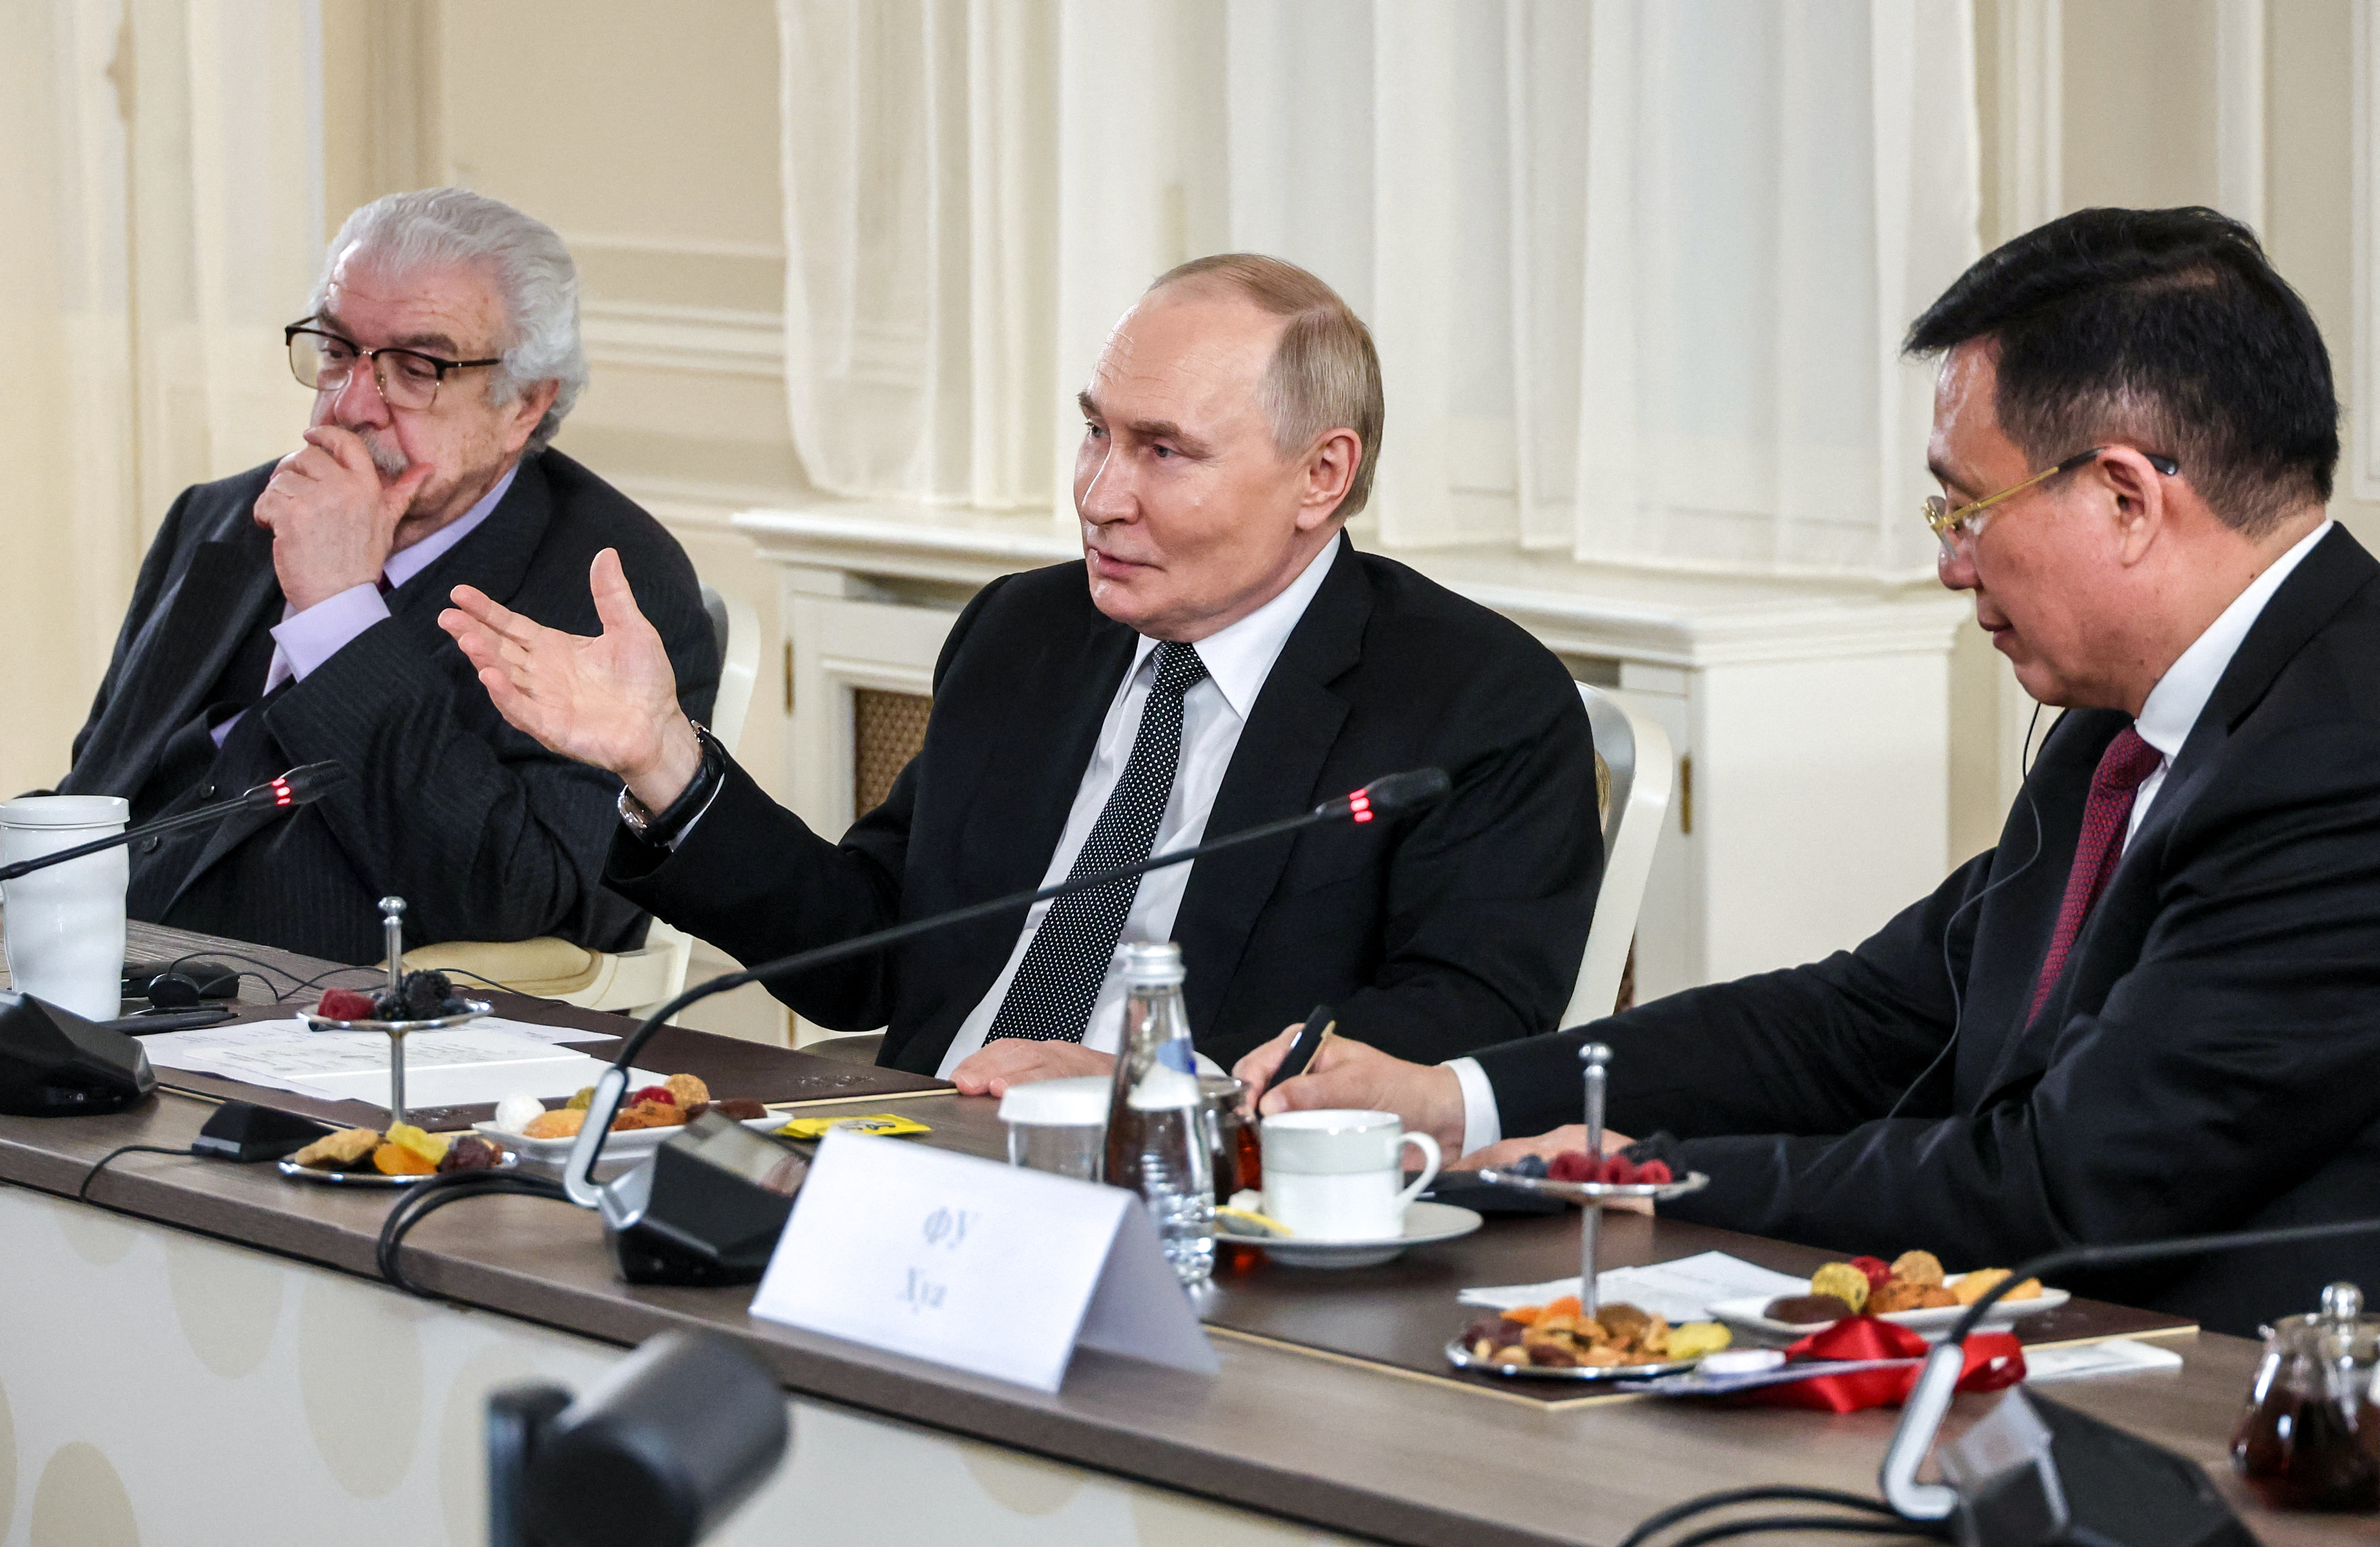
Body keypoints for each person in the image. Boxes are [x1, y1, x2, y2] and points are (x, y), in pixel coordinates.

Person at [1238, 206, 2380, 1336]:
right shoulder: (2130, 723)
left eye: (1964, 507)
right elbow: (1861, 1018)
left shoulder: (2343, 759)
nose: (1946, 563)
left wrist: (1647, 1177)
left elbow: (2068, 1181)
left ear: (2125, 498)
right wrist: (1457, 1098)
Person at [442, 254, 1600, 1082]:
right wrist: (667, 762)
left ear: (1321, 475)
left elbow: (1463, 1027)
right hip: (920, 1143)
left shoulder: (1476, 706)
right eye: (1096, 431)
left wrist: (1151, 1085)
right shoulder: (1028, 631)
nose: (1100, 495)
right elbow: (872, 957)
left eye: (1164, 452)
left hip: (1197, 1205)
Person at [57, 188, 719, 966]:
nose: (350, 404)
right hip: (87, 988)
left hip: (332, 1036)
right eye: (337, 352)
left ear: (525, 408)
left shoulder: (610, 587)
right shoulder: (220, 517)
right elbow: (97, 795)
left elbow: (529, 903)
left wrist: (340, 613)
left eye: (416, 368)